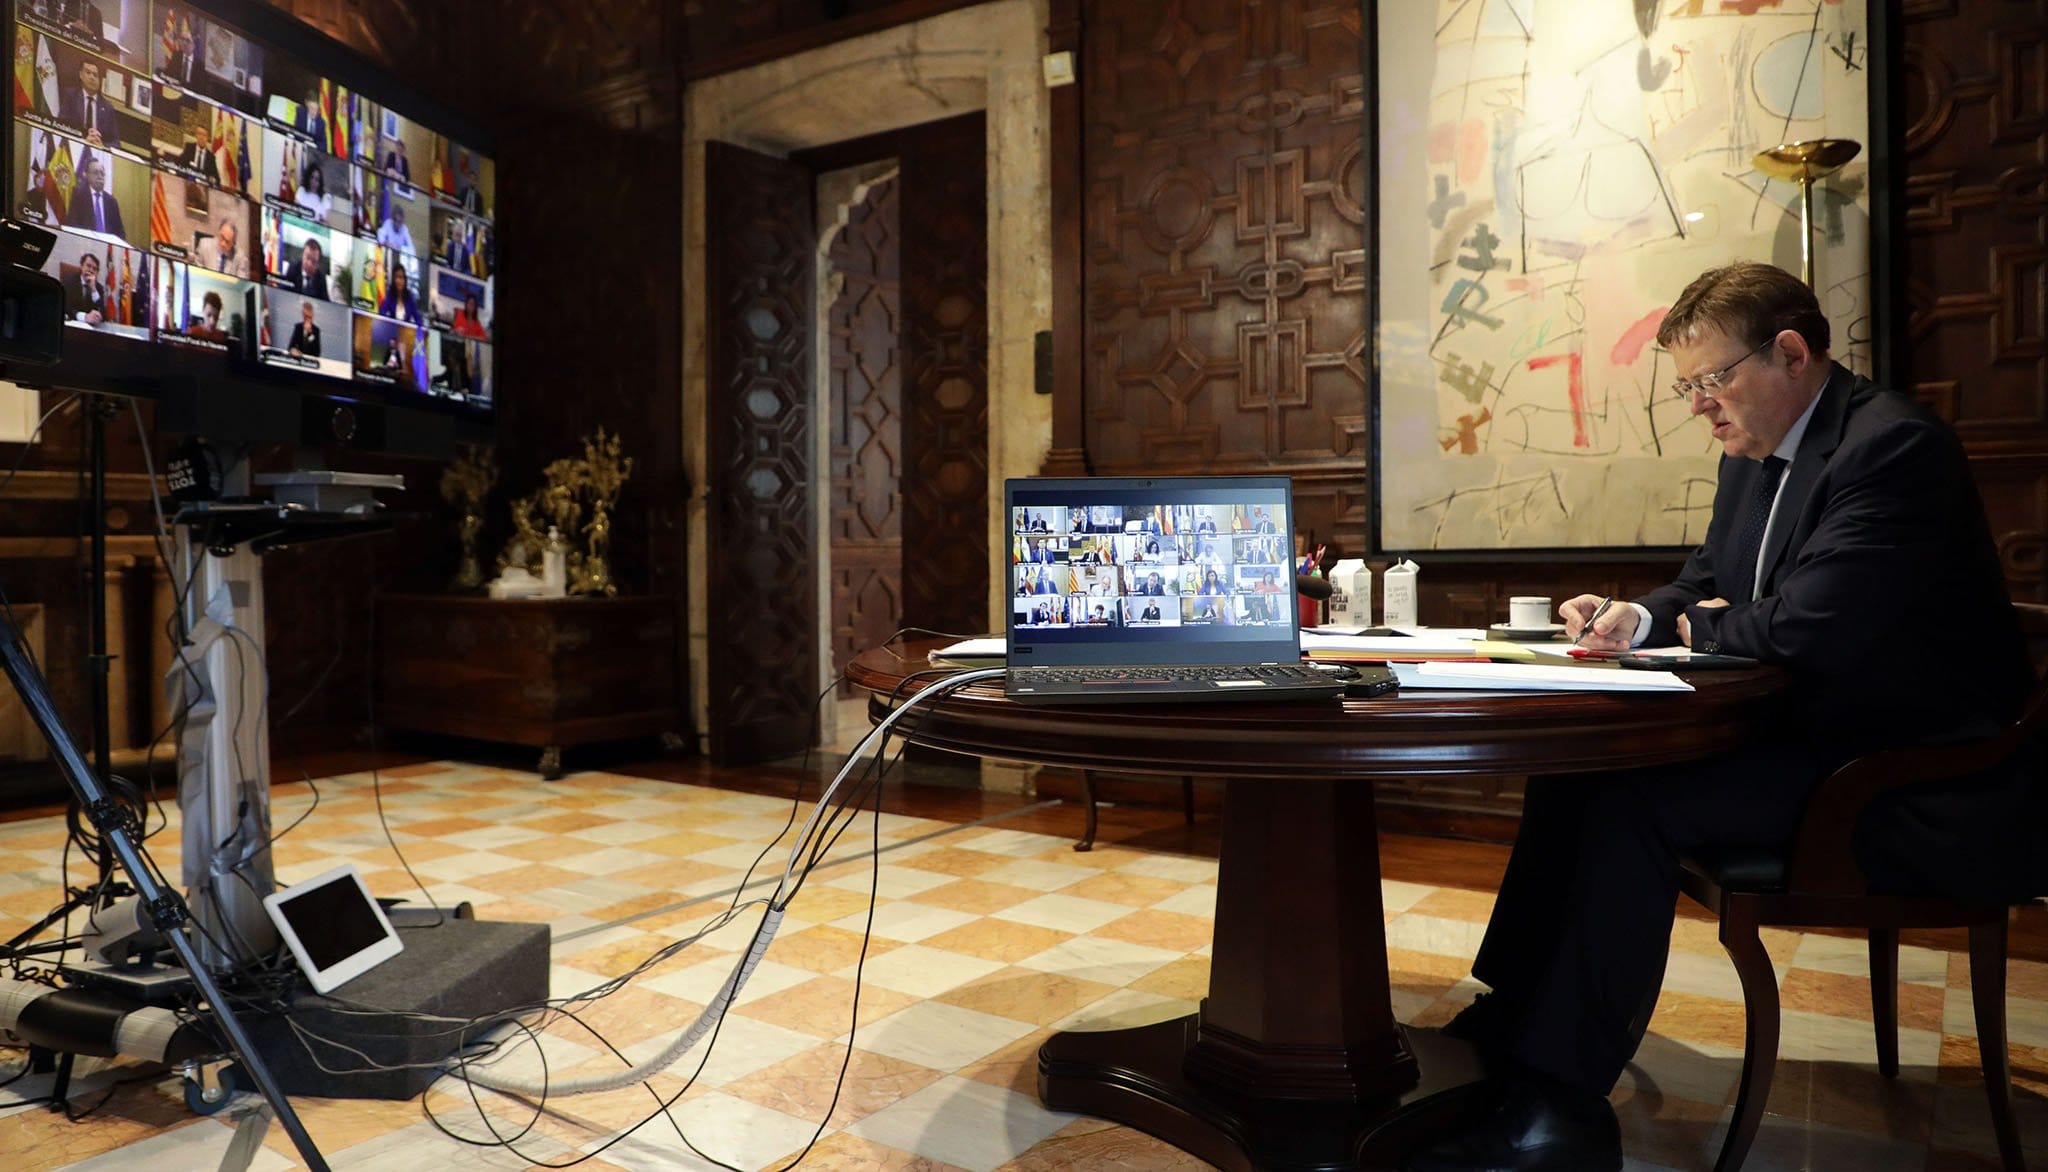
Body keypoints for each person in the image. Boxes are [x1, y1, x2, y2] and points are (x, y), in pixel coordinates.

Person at [1407, 262, 2038, 1172]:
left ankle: (1558, 1108)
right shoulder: (1752, 454)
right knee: (1580, 770)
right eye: (1687, 388)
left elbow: (1807, 626)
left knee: (1634, 804)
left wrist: (1705, 626)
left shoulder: (1893, 448)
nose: (1699, 406)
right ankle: (1510, 1021)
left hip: (1907, 779)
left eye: (1712, 380)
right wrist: (1637, 617)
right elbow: (1709, 583)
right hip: (1814, 742)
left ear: (1791, 353)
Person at [60, 57, 119, 151]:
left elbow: (116, 143)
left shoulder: (108, 108)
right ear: (81, 75)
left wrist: (103, 146)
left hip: (98, 151)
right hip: (73, 148)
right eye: (88, 73)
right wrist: (82, 141)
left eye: (95, 75)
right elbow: (61, 126)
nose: (92, 77)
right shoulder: (70, 96)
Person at [62, 154, 123, 239]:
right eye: (96, 173)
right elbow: (72, 225)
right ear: (86, 175)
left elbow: (120, 232)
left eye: (102, 173)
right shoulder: (79, 196)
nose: (100, 177)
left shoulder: (111, 201)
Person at [64, 249, 104, 324]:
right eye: (88, 266)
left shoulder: (99, 288)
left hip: (91, 327)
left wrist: (93, 289)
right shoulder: (69, 281)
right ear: (81, 266)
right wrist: (84, 317)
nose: (91, 270)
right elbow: (65, 306)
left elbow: (103, 312)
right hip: (73, 324)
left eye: (94, 269)